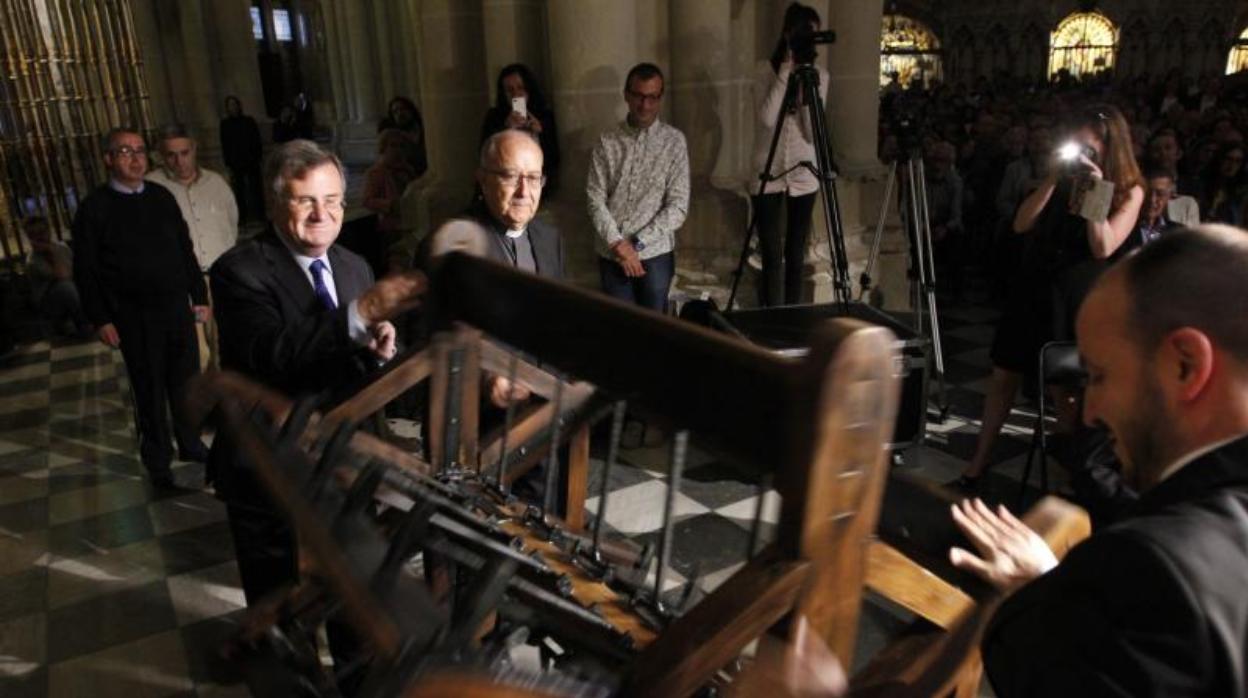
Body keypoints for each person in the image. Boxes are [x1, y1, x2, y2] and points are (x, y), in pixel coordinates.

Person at [949, 225, 1248, 696]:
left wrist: (1049, 598)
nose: (1088, 409)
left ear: (1184, 365)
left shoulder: (1150, 571)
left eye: (1100, 375)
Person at [209, 139, 423, 686]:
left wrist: (379, 345)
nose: (322, 215)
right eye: (306, 201)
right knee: (280, 611)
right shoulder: (239, 271)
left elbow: (350, 362)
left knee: (350, 596)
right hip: (268, 464)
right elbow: (274, 354)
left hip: (341, 459)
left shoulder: (352, 263)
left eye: (333, 200)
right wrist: (358, 315)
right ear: (278, 202)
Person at [953, 105, 1144, 489]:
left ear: (1111, 148)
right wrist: (1052, 180)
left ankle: (1066, 478)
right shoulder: (1060, 181)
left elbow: (1102, 246)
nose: (1084, 156)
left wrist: (1095, 189)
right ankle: (978, 463)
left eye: (1092, 148)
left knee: (1064, 392)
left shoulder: (1130, 190)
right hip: (1033, 287)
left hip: (1074, 297)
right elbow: (1022, 223)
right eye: (1080, 147)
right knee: (1003, 375)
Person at [71, 127, 209, 488]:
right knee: (149, 390)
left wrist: (200, 296)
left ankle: (190, 442)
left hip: (176, 309)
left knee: (186, 383)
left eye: (139, 151)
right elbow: (85, 269)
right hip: (134, 317)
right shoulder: (95, 208)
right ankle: (158, 461)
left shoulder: (162, 197)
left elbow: (185, 249)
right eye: (124, 151)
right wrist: (100, 317)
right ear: (108, 159)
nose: (134, 158)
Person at [587, 62, 689, 313]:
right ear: (626, 95)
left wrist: (637, 244)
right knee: (622, 329)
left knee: (655, 330)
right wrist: (617, 244)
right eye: (639, 96)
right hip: (612, 253)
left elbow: (678, 206)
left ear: (660, 98)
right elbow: (594, 197)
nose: (645, 105)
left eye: (652, 97)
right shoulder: (607, 141)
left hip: (654, 254)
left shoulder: (674, 142)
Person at [749, 2, 829, 307]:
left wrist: (806, 86)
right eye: (803, 35)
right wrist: (785, 70)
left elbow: (812, 132)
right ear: (787, 35)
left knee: (796, 253)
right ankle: (770, 316)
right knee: (771, 252)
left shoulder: (821, 75)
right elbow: (768, 119)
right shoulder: (764, 71)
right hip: (766, 170)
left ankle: (792, 316)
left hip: (804, 171)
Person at [147, 123, 239, 369]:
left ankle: (225, 401)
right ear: (160, 155)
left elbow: (231, 223)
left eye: (184, 153)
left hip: (220, 279)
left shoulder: (216, 182)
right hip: (184, 286)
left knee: (224, 344)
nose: (179, 161)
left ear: (194, 149)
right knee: (196, 352)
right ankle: (201, 403)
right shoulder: (151, 188)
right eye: (171, 155)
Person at [479, 64, 561, 195]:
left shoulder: (544, 116)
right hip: (504, 184)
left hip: (537, 184)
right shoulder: (494, 116)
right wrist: (505, 129)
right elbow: (484, 155)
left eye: (521, 88)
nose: (516, 94)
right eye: (510, 90)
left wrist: (540, 133)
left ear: (529, 90)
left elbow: (554, 158)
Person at [361, 128, 421, 275]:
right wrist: (390, 205)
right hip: (391, 228)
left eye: (401, 146)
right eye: (393, 146)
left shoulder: (408, 170)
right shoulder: (376, 172)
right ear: (384, 148)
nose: (397, 150)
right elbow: (367, 200)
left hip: (411, 224)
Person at [24, 216, 90, 339]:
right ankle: (82, 324)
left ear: (49, 231)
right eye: (33, 234)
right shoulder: (33, 261)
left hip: (72, 292)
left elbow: (77, 271)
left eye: (42, 232)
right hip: (49, 303)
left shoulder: (62, 247)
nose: (40, 237)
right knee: (66, 287)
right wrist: (52, 252)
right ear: (29, 238)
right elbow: (62, 276)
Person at [219, 95, 264, 222]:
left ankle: (259, 215)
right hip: (235, 162)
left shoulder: (249, 121)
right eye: (230, 105)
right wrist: (228, 163)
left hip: (251, 160)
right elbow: (225, 144)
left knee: (256, 189)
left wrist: (258, 157)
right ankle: (243, 217)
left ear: (239, 106)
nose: (232, 107)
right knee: (239, 191)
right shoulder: (225, 124)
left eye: (234, 104)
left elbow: (256, 139)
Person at [377, 96, 429, 178]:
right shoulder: (390, 134)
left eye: (403, 109)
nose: (400, 113)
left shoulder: (423, 128)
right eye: (395, 111)